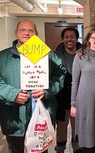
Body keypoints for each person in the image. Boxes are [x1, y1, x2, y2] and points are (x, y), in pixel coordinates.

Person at [0, 19, 66, 153]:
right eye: (22, 30)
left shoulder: (48, 55)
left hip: (41, 114)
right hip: (14, 116)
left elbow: (60, 75)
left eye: (30, 30)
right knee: (15, 149)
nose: (26, 33)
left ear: (36, 33)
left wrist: (47, 91)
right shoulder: (3, 57)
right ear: (16, 33)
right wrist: (12, 94)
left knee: (40, 150)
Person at [70, 28, 95, 153]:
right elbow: (75, 82)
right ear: (88, 40)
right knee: (87, 133)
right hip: (85, 102)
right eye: (94, 38)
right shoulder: (80, 56)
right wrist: (73, 104)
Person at [55, 27, 82, 153]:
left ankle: (77, 149)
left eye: (72, 36)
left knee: (78, 128)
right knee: (61, 128)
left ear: (77, 38)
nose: (69, 39)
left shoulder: (84, 54)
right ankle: (60, 149)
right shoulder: (55, 56)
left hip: (79, 99)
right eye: (66, 37)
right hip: (61, 98)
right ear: (62, 39)